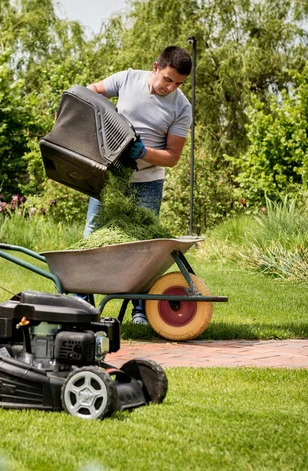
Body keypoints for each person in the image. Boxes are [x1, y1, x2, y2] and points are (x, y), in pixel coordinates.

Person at [84, 46, 193, 325]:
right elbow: (90, 92)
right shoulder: (128, 78)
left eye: (178, 83)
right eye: (168, 79)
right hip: (109, 177)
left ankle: (140, 309)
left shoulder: (182, 107)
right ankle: (83, 306)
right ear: (156, 67)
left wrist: (144, 153)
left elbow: (172, 157)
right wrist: (104, 125)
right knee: (91, 237)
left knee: (142, 246)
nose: (171, 87)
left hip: (148, 182)